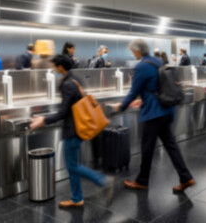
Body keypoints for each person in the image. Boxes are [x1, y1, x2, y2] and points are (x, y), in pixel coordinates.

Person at [29, 55, 113, 207]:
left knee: (72, 165)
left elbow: (63, 113)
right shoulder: (76, 78)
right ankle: (77, 198)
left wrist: (43, 120)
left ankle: (103, 181)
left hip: (73, 129)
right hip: (79, 126)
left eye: (54, 66)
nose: (53, 69)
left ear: (60, 67)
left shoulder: (68, 84)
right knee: (72, 164)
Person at [114, 39, 195, 193]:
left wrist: (121, 106)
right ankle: (186, 177)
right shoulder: (158, 61)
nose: (134, 54)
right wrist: (143, 98)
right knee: (171, 145)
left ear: (137, 51)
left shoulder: (141, 66)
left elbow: (133, 90)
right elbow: (156, 85)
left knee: (147, 148)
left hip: (153, 113)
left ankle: (142, 181)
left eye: (133, 52)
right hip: (166, 109)